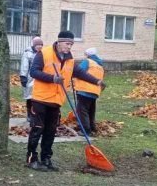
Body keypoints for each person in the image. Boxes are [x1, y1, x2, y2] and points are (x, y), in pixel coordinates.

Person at [27, 31, 105, 171]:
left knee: (50, 132)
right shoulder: (44, 53)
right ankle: (31, 159)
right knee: (37, 130)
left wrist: (97, 81)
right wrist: (52, 78)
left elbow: (80, 73)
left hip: (56, 101)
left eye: (71, 44)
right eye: (67, 44)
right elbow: (33, 72)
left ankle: (46, 159)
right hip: (40, 100)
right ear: (60, 42)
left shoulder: (69, 59)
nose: (69, 47)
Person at [74, 47, 104, 134]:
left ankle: (85, 130)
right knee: (91, 110)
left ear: (88, 55)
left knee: (82, 110)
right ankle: (92, 127)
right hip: (95, 91)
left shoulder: (87, 62)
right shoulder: (100, 65)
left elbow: (78, 71)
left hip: (84, 90)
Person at [19, 36, 44, 120]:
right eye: (38, 45)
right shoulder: (28, 53)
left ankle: (37, 114)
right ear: (34, 45)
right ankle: (29, 114)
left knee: (38, 98)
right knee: (30, 97)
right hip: (30, 78)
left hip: (40, 78)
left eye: (41, 45)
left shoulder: (43, 53)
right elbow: (24, 66)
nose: (39, 46)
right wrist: (23, 76)